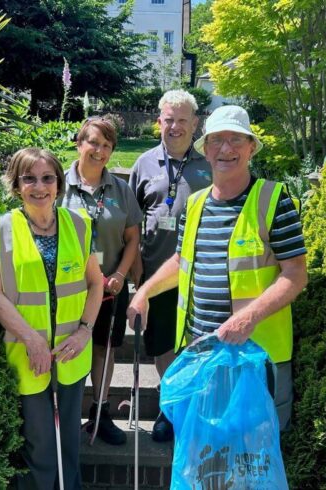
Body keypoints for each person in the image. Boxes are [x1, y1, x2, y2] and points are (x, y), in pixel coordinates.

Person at [127, 105, 308, 432]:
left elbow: (295, 274)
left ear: (251, 147)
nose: (226, 149)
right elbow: (181, 262)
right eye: (217, 140)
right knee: (205, 455)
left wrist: (248, 318)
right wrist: (144, 293)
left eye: (236, 140)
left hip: (255, 358)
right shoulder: (195, 204)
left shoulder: (273, 199)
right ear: (206, 150)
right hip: (202, 354)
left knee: (250, 461)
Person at [0, 148, 104, 489]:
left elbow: (95, 282)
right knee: (39, 447)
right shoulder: (1, 229)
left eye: (48, 178)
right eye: (30, 178)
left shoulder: (80, 225)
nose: (40, 186)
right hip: (27, 355)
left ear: (59, 183)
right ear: (16, 185)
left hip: (71, 353)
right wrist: (32, 339)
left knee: (68, 443)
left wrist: (85, 331)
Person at [128, 89, 212, 442]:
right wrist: (135, 272)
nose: (174, 126)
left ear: (195, 124)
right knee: (162, 343)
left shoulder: (211, 164)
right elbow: (130, 222)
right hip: (157, 273)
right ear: (158, 122)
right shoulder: (143, 164)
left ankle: (195, 406)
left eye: (182, 120)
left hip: (203, 276)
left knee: (196, 343)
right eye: (168, 119)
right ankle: (170, 406)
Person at [60, 116, 143, 445]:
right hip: (66, 289)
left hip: (109, 287)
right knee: (68, 346)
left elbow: (133, 238)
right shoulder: (57, 184)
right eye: (93, 142)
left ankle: (100, 412)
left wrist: (122, 274)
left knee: (103, 350)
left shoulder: (121, 190)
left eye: (107, 145)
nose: (99, 150)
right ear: (79, 143)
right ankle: (64, 413)